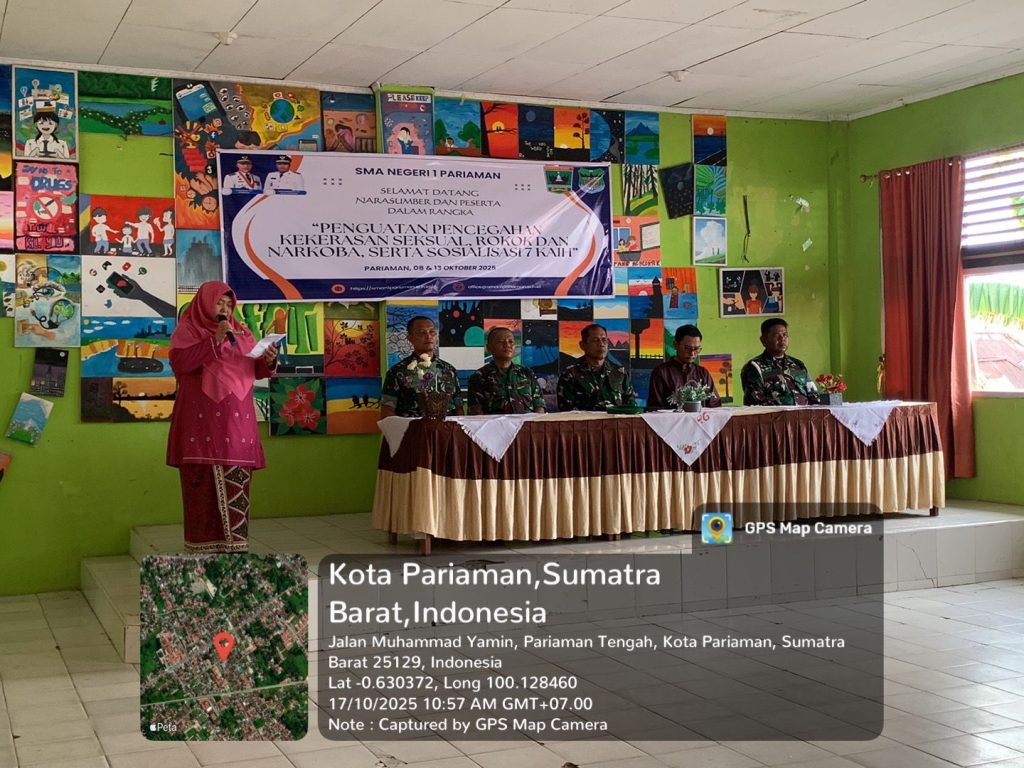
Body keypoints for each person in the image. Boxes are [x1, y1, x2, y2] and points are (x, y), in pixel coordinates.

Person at [166, 281, 278, 552]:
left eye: (229, 304)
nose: (225, 309)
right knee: (201, 490)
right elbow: (180, 363)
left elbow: (254, 368)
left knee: (238, 485)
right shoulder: (189, 329)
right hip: (201, 426)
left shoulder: (242, 332)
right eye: (220, 303)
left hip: (238, 426)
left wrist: (269, 360)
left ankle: (235, 549)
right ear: (205, 302)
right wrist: (214, 340)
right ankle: (204, 551)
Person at [380, 316, 462, 418]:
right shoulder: (398, 372)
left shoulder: (449, 370)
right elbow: (387, 411)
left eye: (432, 332)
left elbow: (458, 409)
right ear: (410, 338)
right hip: (411, 426)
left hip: (446, 426)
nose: (428, 336)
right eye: (422, 333)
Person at [740, 318, 821, 406]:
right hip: (773, 415)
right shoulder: (754, 367)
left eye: (785, 335)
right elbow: (756, 403)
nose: (782, 339)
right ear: (764, 340)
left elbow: (814, 396)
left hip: (804, 414)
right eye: (776, 335)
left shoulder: (798, 365)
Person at [557, 323, 636, 411]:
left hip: (616, 419)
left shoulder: (620, 372)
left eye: (604, 340)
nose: (601, 344)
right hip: (585, 420)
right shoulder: (570, 374)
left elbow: (631, 405)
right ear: (583, 345)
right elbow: (567, 411)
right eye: (595, 340)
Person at [468, 327, 545, 415]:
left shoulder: (527, 373)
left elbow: (539, 405)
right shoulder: (479, 376)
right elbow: (476, 411)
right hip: (493, 424)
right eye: (500, 341)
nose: (507, 345)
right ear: (489, 347)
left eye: (511, 341)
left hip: (526, 423)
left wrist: (532, 423)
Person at [646, 324, 722, 410]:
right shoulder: (661, 372)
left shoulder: (703, 373)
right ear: (675, 345)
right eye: (687, 348)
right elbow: (655, 408)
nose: (692, 353)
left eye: (696, 349)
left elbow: (714, 405)